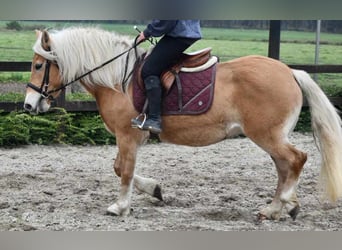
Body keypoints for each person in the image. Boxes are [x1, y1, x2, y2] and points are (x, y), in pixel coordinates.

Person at [131, 20, 202, 134]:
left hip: (181, 34)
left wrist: (147, 32)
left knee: (149, 70)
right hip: (183, 33)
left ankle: (154, 119)